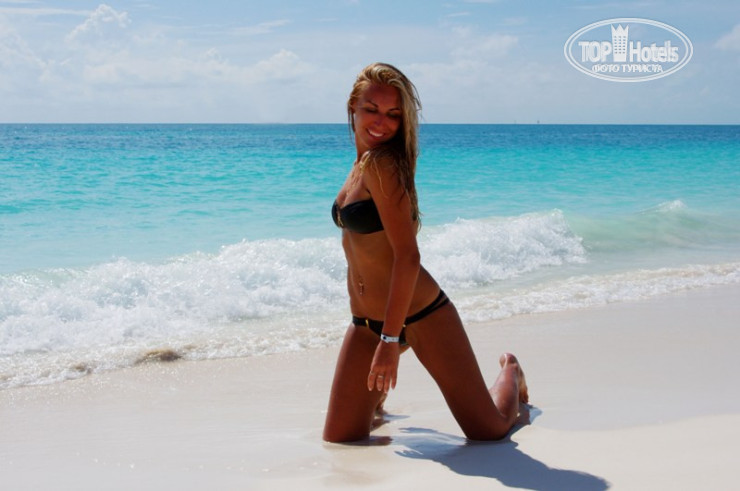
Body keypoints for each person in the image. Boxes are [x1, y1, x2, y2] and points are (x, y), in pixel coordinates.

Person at [323, 62, 528, 443]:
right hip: (365, 322)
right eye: (372, 109)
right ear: (353, 106)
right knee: (339, 439)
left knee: (490, 430)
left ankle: (511, 373)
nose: (381, 122)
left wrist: (390, 341)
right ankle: (376, 399)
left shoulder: (383, 165)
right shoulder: (359, 165)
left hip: (420, 314)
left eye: (393, 114)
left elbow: (408, 257)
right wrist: (383, 337)